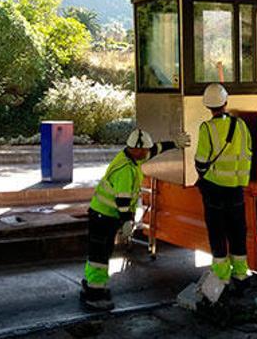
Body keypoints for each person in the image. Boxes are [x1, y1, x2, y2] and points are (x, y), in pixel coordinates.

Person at [81, 128, 190, 311]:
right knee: (100, 254)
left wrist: (173, 144)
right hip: (104, 216)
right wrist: (126, 221)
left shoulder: (132, 156)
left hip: (102, 214)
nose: (148, 153)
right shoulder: (126, 169)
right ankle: (95, 294)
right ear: (137, 149)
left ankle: (93, 284)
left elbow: (155, 149)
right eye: (145, 151)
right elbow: (122, 201)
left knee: (99, 251)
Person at [194, 83, 253, 294]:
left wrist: (203, 174)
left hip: (215, 191)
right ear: (225, 102)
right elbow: (247, 154)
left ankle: (222, 278)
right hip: (236, 191)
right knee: (237, 233)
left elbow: (201, 161)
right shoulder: (241, 126)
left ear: (208, 106)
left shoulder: (207, 128)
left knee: (217, 235)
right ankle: (241, 276)